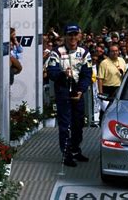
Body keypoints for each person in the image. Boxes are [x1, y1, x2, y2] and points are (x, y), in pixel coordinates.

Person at [47, 24, 92, 167]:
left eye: (75, 34)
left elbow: (87, 73)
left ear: (79, 36)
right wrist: (62, 74)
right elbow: (51, 72)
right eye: (70, 35)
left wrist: (81, 90)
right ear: (65, 36)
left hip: (77, 91)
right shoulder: (56, 52)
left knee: (78, 124)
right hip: (63, 92)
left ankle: (75, 150)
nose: (72, 38)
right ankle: (66, 154)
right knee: (65, 125)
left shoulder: (84, 52)